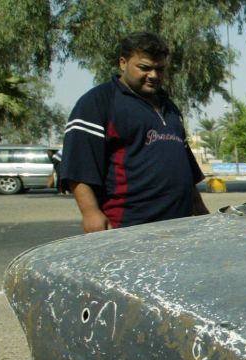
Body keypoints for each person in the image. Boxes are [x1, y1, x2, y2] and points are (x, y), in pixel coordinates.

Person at [61, 32, 208, 232]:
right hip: (130, 227)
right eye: (144, 68)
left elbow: (185, 170)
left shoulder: (170, 108)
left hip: (179, 227)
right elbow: (78, 165)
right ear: (123, 63)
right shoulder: (99, 102)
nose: (153, 75)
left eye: (160, 69)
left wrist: (199, 208)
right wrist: (90, 212)